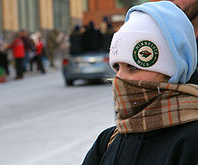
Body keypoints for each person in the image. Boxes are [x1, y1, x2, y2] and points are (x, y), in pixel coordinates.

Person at [82, 1, 198, 165]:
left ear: (171, 73)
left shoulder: (190, 141)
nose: (120, 78)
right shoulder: (108, 141)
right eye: (117, 67)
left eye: (132, 67)